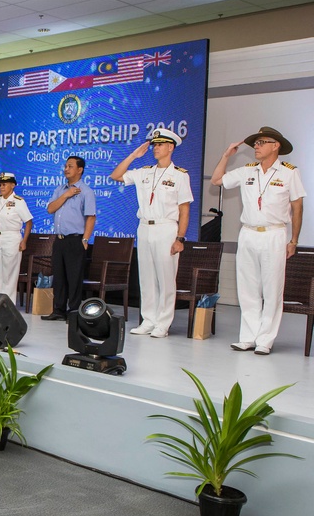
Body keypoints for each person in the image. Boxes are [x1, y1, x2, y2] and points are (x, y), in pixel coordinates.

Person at [211, 126, 305, 355]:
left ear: (276, 146)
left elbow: (297, 207)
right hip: (248, 233)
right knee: (247, 287)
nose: (256, 146)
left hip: (274, 234)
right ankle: (248, 337)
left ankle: (265, 339)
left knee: (272, 289)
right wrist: (226, 155)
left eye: (262, 142)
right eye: (256, 143)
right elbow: (216, 180)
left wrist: (293, 240)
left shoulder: (289, 172)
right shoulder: (247, 170)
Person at [110, 129, 193, 338]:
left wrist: (180, 238)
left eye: (160, 145)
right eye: (154, 145)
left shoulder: (180, 175)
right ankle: (148, 320)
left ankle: (163, 323)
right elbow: (116, 175)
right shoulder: (144, 171)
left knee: (165, 278)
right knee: (146, 277)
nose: (155, 148)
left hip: (166, 227)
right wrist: (133, 156)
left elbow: (184, 209)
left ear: (170, 147)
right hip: (145, 227)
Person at [42, 156, 96, 321]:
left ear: (80, 170)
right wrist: (66, 195)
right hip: (59, 240)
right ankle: (58, 309)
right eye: (65, 166)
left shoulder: (86, 191)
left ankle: (73, 311)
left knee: (74, 277)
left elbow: (91, 217)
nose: (66, 169)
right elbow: (50, 209)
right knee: (59, 276)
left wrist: (85, 239)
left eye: (70, 166)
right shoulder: (60, 190)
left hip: (75, 239)